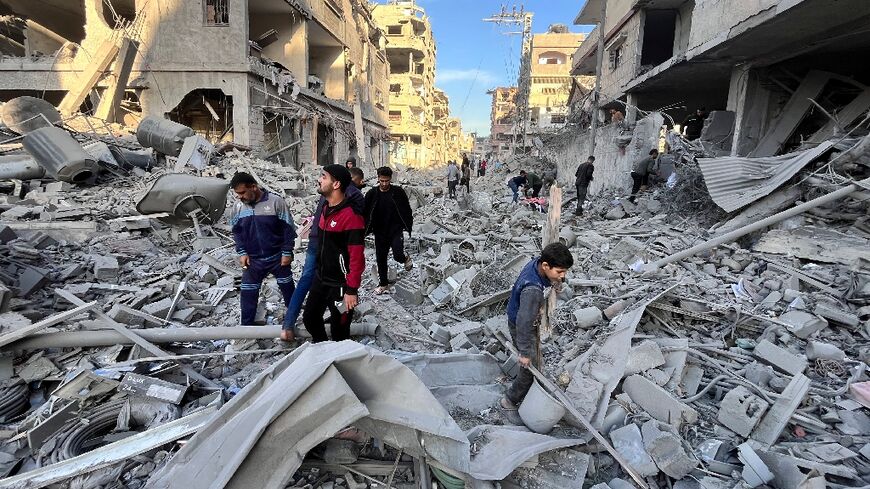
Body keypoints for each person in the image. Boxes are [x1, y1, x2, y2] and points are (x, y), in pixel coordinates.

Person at [283, 166, 365, 341]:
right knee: (310, 319)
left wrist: (351, 290)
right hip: (321, 280)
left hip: (341, 287)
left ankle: (339, 362)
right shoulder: (325, 210)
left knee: (340, 329)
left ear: (336, 184)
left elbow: (357, 258)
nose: (319, 180)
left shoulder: (352, 217)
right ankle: (323, 350)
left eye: (324, 177)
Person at [499, 243, 574, 410]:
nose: (562, 276)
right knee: (529, 369)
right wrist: (524, 353)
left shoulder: (536, 263)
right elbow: (523, 323)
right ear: (546, 266)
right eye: (559, 272)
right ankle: (510, 401)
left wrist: (555, 282)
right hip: (521, 324)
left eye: (564, 272)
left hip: (519, 314)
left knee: (533, 359)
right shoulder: (532, 290)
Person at [229, 172, 297, 328]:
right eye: (237, 194)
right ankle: (247, 331)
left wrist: (287, 252)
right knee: (247, 294)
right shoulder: (238, 207)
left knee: (288, 290)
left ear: (253, 187)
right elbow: (237, 231)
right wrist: (242, 252)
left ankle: (294, 322)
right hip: (253, 261)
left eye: (242, 192)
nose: (239, 197)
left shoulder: (276, 202)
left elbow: (288, 229)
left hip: (278, 257)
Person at [364, 166, 414, 294]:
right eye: (382, 181)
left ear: (391, 179)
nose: (385, 183)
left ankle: (405, 259)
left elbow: (406, 210)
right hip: (380, 231)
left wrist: (407, 226)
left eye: (387, 181)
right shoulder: (372, 194)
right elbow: (365, 212)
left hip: (395, 230)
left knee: (397, 255)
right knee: (381, 258)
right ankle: (384, 284)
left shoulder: (398, 192)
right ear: (378, 179)